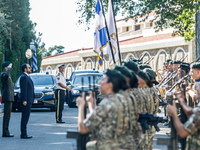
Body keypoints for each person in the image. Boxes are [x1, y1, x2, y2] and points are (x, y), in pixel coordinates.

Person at [76, 69, 136, 149]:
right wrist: (91, 105)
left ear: (110, 85)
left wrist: (81, 106)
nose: (100, 82)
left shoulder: (106, 103)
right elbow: (103, 119)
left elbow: (83, 129)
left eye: (103, 80)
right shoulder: (124, 100)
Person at [19, 64, 34, 139]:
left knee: (26, 117)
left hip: (29, 100)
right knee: (25, 117)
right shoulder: (24, 77)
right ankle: (23, 134)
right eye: (29, 68)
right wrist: (24, 100)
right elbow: (23, 90)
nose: (30, 68)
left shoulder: (27, 76)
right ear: (25, 69)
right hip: (26, 101)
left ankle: (24, 133)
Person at [1, 61, 14, 137]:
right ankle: (5, 132)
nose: (10, 68)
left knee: (8, 115)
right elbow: (6, 76)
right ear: (5, 67)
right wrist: (9, 68)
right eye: (9, 67)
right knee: (6, 116)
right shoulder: (3, 75)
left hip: (10, 97)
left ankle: (6, 131)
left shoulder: (8, 75)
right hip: (7, 97)